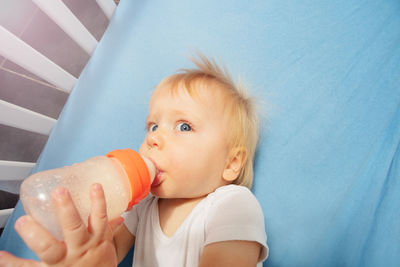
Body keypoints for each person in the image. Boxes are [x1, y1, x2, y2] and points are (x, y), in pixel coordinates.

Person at [0, 54, 268, 266]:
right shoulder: (143, 206)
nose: (154, 138)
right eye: (153, 126)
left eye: (184, 126)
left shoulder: (232, 204)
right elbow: (109, 251)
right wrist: (89, 241)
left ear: (231, 163)